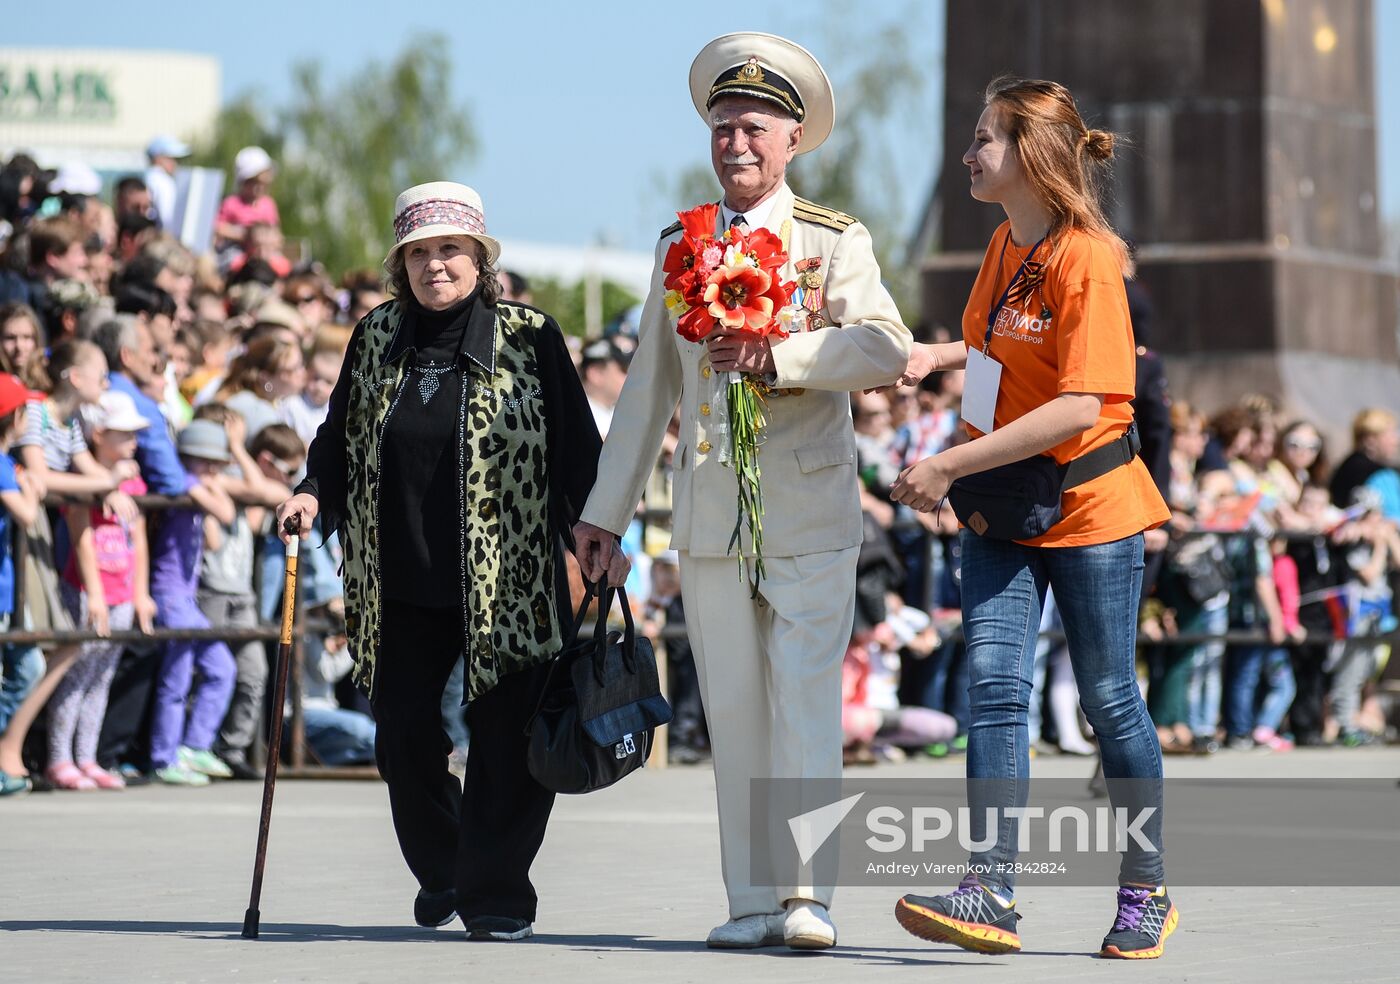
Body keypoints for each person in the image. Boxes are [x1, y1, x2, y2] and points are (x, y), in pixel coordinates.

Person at [573, 32, 910, 951]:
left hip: (808, 508)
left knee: (806, 702)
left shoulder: (831, 241)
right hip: (713, 515)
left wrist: (782, 353)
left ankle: (809, 896)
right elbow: (647, 392)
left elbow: (885, 346)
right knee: (733, 708)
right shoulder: (678, 244)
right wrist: (605, 513)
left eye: (755, 129)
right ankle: (753, 897)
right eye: (724, 129)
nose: (737, 147)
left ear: (793, 140)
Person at [889, 77, 1175, 959]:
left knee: (1109, 702)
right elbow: (992, 356)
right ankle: (991, 891)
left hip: (1089, 509)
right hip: (1006, 509)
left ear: (1032, 156)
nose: (968, 154)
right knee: (996, 694)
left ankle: (1145, 891)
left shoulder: (1087, 256)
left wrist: (944, 464)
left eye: (984, 139)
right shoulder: (1003, 245)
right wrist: (937, 353)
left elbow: (1080, 405)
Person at [276, 181, 601, 941]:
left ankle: (496, 897)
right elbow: (336, 435)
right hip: (400, 580)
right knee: (403, 734)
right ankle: (446, 865)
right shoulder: (376, 333)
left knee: (506, 744)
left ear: (479, 258)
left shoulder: (529, 335)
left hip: (511, 580)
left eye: (449, 249)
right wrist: (311, 493)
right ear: (401, 266)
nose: (435, 266)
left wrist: (598, 531)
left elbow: (579, 448)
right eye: (419, 253)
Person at [46, 391, 156, 790]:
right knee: (76, 675)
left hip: (123, 592)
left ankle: (87, 757)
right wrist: (94, 594)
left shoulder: (135, 481)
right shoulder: (83, 484)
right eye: (123, 433)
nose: (133, 442)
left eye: (134, 434)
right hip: (87, 590)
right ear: (98, 435)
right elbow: (81, 536)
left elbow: (139, 540)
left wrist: (140, 593)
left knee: (102, 677)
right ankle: (59, 758)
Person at [147, 419, 238, 786]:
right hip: (169, 595)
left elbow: (215, 539)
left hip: (187, 599)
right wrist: (209, 487)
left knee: (222, 668)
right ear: (185, 458)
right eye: (205, 462)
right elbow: (227, 512)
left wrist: (210, 488)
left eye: (217, 463)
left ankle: (194, 745)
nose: (213, 470)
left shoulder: (198, 488)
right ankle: (163, 756)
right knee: (177, 677)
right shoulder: (185, 483)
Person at [143, 135, 191, 231]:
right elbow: (168, 219)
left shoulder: (148, 177)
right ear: (158, 158)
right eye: (171, 158)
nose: (176, 163)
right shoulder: (163, 181)